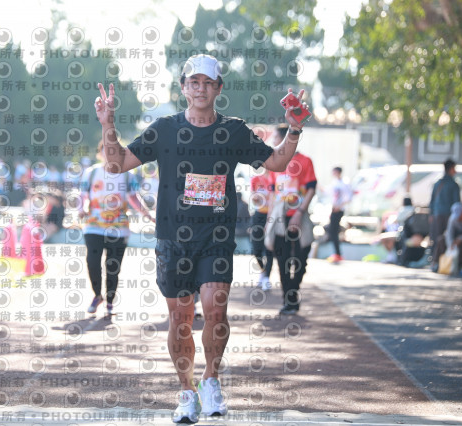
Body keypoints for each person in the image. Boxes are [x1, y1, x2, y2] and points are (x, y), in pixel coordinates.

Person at [94, 54, 308, 423]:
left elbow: (276, 163)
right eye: (194, 82)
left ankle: (211, 379)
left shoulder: (234, 130)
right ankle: (186, 391)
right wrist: (108, 123)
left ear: (218, 88)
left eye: (208, 82)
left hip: (216, 238)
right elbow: (116, 163)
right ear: (183, 87)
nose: (200, 89)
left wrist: (294, 129)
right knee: (180, 321)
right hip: (173, 240)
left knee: (215, 309)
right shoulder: (165, 129)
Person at [80, 141, 152, 318]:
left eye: (114, 151)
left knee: (113, 266)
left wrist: (147, 214)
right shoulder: (91, 173)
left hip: (119, 228)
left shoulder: (127, 175)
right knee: (92, 261)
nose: (109, 154)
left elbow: (133, 198)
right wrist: (81, 208)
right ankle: (97, 295)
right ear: (99, 153)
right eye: (106, 150)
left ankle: (110, 301)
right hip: (94, 226)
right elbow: (83, 196)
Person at [269, 124, 316, 315]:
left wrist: (299, 212)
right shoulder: (273, 162)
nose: (272, 141)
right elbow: (273, 194)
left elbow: (311, 188)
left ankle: (293, 290)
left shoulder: (305, 161)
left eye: (275, 137)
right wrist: (269, 221)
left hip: (300, 217)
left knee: (302, 256)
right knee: (282, 259)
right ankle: (289, 301)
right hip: (280, 219)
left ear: (284, 139)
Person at [249, 134, 277, 291]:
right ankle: (263, 271)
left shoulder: (274, 177)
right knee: (256, 248)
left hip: (271, 216)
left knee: (269, 247)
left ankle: (266, 276)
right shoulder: (255, 179)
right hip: (258, 215)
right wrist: (256, 199)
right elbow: (253, 197)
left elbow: (274, 198)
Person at [430, 202, 462, 274]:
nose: (458, 218)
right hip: (454, 238)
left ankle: (458, 266)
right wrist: (450, 244)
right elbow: (449, 233)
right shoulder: (452, 219)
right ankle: (436, 263)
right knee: (441, 240)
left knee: (461, 247)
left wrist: (461, 239)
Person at [429, 158, 461, 256]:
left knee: (436, 238)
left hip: (437, 215)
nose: (455, 171)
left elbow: (432, 201)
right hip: (449, 216)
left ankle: (435, 259)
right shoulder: (454, 185)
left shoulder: (437, 183)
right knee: (448, 238)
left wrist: (431, 214)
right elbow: (457, 204)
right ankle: (446, 258)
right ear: (451, 169)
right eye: (454, 168)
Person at [326, 166, 351, 262]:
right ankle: (336, 253)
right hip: (333, 209)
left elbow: (348, 197)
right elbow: (328, 193)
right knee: (332, 231)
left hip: (338, 210)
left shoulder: (344, 183)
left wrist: (339, 207)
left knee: (334, 231)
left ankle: (338, 254)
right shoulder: (334, 183)